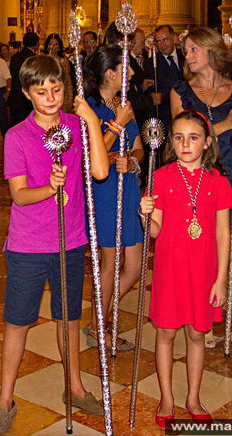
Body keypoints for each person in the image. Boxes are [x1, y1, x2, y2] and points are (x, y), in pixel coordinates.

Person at [0, 55, 110, 434]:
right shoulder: (17, 136)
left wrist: (90, 119)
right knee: (18, 322)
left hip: (69, 240)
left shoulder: (75, 126)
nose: (50, 97)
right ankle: (5, 397)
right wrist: (50, 188)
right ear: (26, 93)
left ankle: (74, 386)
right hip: (27, 245)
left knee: (69, 319)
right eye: (41, 92)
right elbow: (20, 195)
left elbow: (101, 171)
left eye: (56, 89)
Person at [171, 27, 232, 351]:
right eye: (186, 50)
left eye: (193, 49)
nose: (188, 55)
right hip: (191, 182)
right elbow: (180, 137)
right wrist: (225, 124)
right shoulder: (181, 92)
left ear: (212, 50)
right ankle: (207, 317)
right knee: (204, 254)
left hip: (226, 181)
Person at [140, 110, 232, 426]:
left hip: (203, 272)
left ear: (207, 142)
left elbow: (224, 234)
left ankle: (193, 397)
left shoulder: (218, 181)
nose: (185, 144)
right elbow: (155, 232)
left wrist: (221, 279)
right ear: (170, 141)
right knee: (165, 333)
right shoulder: (162, 176)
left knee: (197, 335)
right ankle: (166, 398)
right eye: (178, 137)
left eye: (193, 138)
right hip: (170, 271)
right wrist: (146, 214)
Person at [84, 45, 144, 351]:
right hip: (104, 192)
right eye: (126, 68)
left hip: (129, 188)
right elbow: (93, 161)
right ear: (110, 74)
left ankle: (99, 314)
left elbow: (138, 147)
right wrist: (117, 123)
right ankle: (99, 324)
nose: (132, 73)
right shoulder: (89, 109)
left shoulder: (125, 104)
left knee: (135, 266)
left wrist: (132, 160)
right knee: (110, 263)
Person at [143, 24, 184, 125]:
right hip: (165, 115)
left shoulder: (185, 56)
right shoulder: (151, 63)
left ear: (174, 39)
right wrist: (152, 94)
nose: (162, 45)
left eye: (165, 40)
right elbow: (151, 88)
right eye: (158, 42)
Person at [7, 31, 40, 127]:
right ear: (36, 44)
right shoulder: (34, 58)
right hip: (27, 99)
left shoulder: (14, 57)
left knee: (16, 125)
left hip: (15, 96)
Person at [43, 32, 74, 112]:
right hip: (46, 92)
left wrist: (70, 97)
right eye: (50, 44)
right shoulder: (42, 60)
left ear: (59, 47)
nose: (52, 46)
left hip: (62, 93)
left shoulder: (63, 60)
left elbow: (68, 80)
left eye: (55, 44)